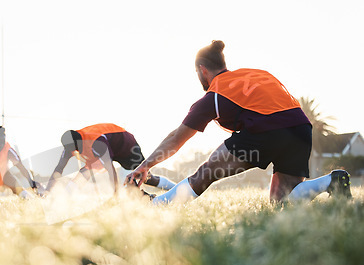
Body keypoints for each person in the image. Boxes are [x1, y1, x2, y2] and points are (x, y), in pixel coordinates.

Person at [126, 40, 352, 204]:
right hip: (300, 128)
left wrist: (145, 166)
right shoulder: (255, 74)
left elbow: (177, 138)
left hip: (266, 129)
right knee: (280, 201)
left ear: (202, 70)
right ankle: (331, 181)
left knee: (206, 172)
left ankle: (153, 206)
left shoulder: (216, 93)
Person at [46, 123, 176, 193]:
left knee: (141, 178)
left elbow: (110, 169)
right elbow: (59, 168)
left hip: (125, 145)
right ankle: (69, 197)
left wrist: (115, 195)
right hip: (106, 148)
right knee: (84, 172)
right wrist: (47, 191)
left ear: (80, 143)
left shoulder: (96, 142)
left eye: (76, 150)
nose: (75, 153)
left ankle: (174, 189)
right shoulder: (70, 145)